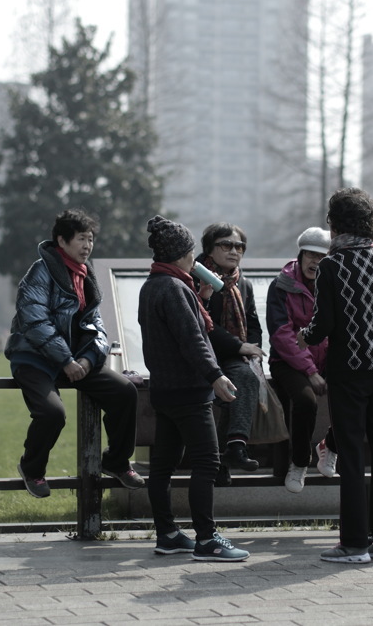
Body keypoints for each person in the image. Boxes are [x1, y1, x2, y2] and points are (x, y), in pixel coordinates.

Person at [298, 187, 373, 563]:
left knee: (354, 459)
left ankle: (354, 544)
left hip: (351, 371)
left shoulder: (332, 265)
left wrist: (304, 336)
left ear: (334, 224)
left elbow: (323, 324)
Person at [5, 209, 143, 499]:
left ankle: (116, 461)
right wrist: (65, 359)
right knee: (52, 413)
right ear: (61, 241)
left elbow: (98, 326)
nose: (87, 246)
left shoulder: (85, 275)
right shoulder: (40, 272)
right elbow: (34, 321)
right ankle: (32, 468)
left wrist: (87, 358)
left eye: (91, 239)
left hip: (76, 362)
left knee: (125, 393)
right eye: (81, 239)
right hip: (34, 358)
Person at [138, 215, 249, 561]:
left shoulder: (155, 285)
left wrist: (198, 297)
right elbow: (193, 341)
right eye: (189, 251)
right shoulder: (174, 289)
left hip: (165, 391)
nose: (193, 257)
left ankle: (167, 533)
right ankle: (207, 539)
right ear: (180, 254)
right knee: (207, 462)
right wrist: (215, 376)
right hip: (189, 391)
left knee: (163, 465)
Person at [196, 223, 265, 481]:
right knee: (223, 391)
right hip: (203, 355)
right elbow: (203, 325)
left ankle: (236, 446)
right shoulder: (198, 278)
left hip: (233, 356)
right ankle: (218, 461)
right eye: (226, 245)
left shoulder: (241, 283)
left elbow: (253, 322)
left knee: (244, 377)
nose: (234, 251)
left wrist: (252, 349)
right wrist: (238, 345)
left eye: (239, 246)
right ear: (210, 250)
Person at [265, 226, 331, 493]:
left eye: (322, 257)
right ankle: (300, 462)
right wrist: (310, 370)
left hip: (325, 358)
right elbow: (282, 334)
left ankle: (331, 448)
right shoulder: (281, 285)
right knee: (305, 400)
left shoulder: (333, 283)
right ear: (301, 255)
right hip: (288, 361)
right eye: (311, 255)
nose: (315, 262)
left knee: (356, 391)